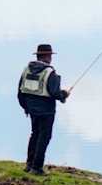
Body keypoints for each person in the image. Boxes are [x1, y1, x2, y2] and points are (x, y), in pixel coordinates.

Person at [17, 43, 69, 175]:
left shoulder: (26, 70)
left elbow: (20, 92)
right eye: (50, 55)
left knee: (35, 134)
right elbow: (55, 93)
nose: (51, 58)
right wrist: (64, 94)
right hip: (46, 111)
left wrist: (26, 108)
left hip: (32, 110)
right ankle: (37, 167)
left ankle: (29, 164)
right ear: (47, 56)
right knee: (44, 137)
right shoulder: (50, 72)